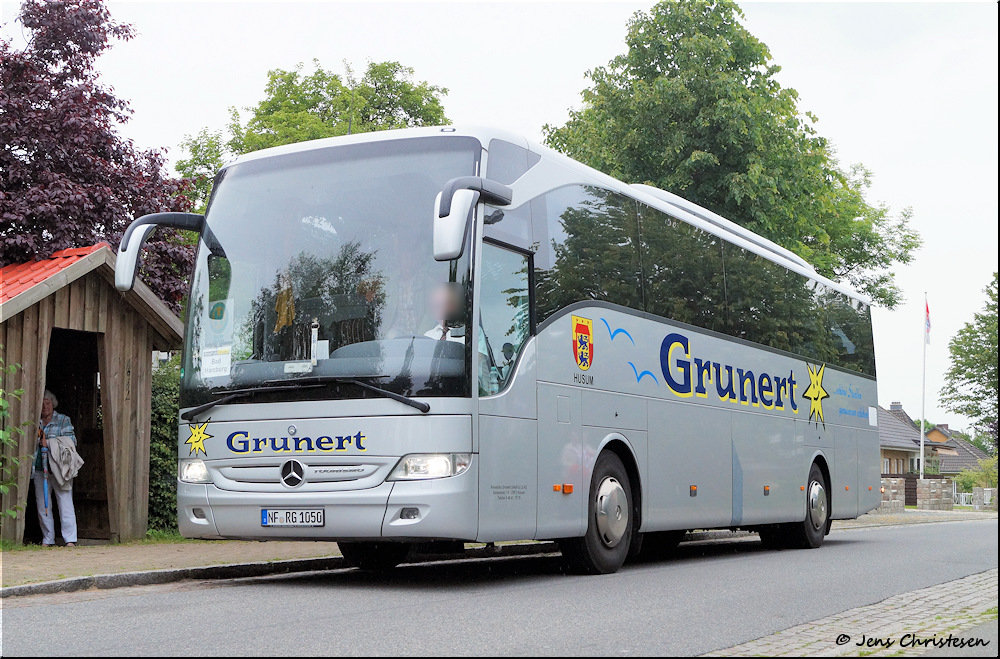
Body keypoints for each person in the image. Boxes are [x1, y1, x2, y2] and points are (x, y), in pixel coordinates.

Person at [34, 389, 78, 547]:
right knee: (43, 505)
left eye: (48, 403)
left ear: (53, 404)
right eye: (42, 404)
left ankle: (70, 540)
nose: (45, 406)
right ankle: (48, 539)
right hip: (40, 469)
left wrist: (49, 443)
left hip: (60, 469)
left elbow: (71, 441)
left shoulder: (63, 420)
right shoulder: (35, 422)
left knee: (65, 503)